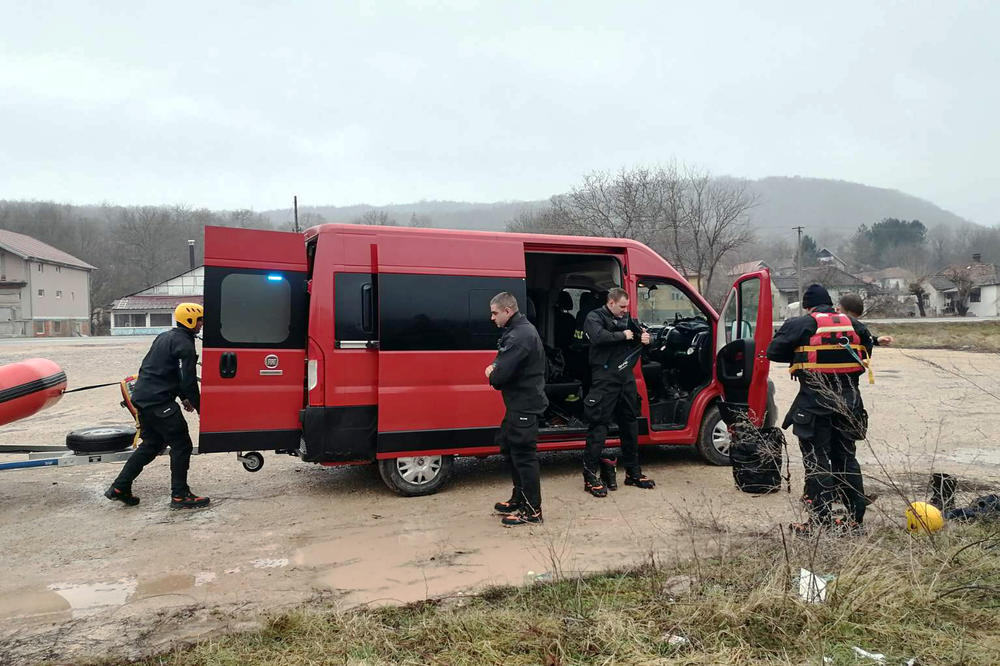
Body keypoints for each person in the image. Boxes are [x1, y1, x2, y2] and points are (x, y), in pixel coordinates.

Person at [767, 284, 875, 535]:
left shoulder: (802, 324)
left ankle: (820, 520)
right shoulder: (855, 326)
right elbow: (866, 352)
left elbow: (774, 351)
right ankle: (855, 520)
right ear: (831, 303)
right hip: (850, 404)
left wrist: (799, 355)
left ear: (807, 306)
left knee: (817, 461)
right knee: (847, 459)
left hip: (815, 404)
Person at [105, 303, 210, 510]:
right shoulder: (185, 345)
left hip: (144, 399)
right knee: (182, 445)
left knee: (152, 445)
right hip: (159, 401)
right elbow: (187, 380)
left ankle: (119, 487)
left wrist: (182, 397)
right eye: (200, 320)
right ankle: (180, 496)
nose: (201, 324)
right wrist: (201, 409)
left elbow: (166, 371)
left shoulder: (165, 337)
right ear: (190, 320)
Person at [581, 287, 655, 497]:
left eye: (627, 307)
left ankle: (633, 473)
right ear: (611, 302)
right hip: (604, 380)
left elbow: (642, 335)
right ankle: (590, 477)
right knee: (599, 427)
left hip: (625, 379)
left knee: (630, 424)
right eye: (622, 307)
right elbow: (598, 337)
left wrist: (647, 339)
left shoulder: (628, 320)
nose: (625, 311)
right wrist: (623, 335)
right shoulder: (594, 317)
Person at [486, 292, 548, 527]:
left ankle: (533, 511)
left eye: (494, 313)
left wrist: (493, 373)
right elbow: (502, 362)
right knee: (510, 449)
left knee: (524, 457)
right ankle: (519, 498)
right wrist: (496, 367)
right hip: (517, 404)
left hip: (525, 405)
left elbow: (499, 375)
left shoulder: (521, 335)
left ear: (507, 311)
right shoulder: (516, 331)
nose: (492, 318)